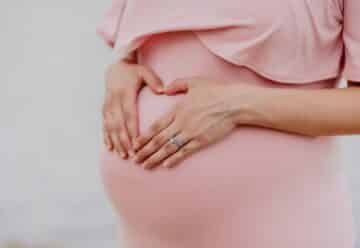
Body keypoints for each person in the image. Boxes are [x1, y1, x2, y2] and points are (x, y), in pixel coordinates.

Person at [97, 0, 360, 247]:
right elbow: (151, 49)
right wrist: (121, 70)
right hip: (146, 235)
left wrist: (238, 104)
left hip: (276, 224)